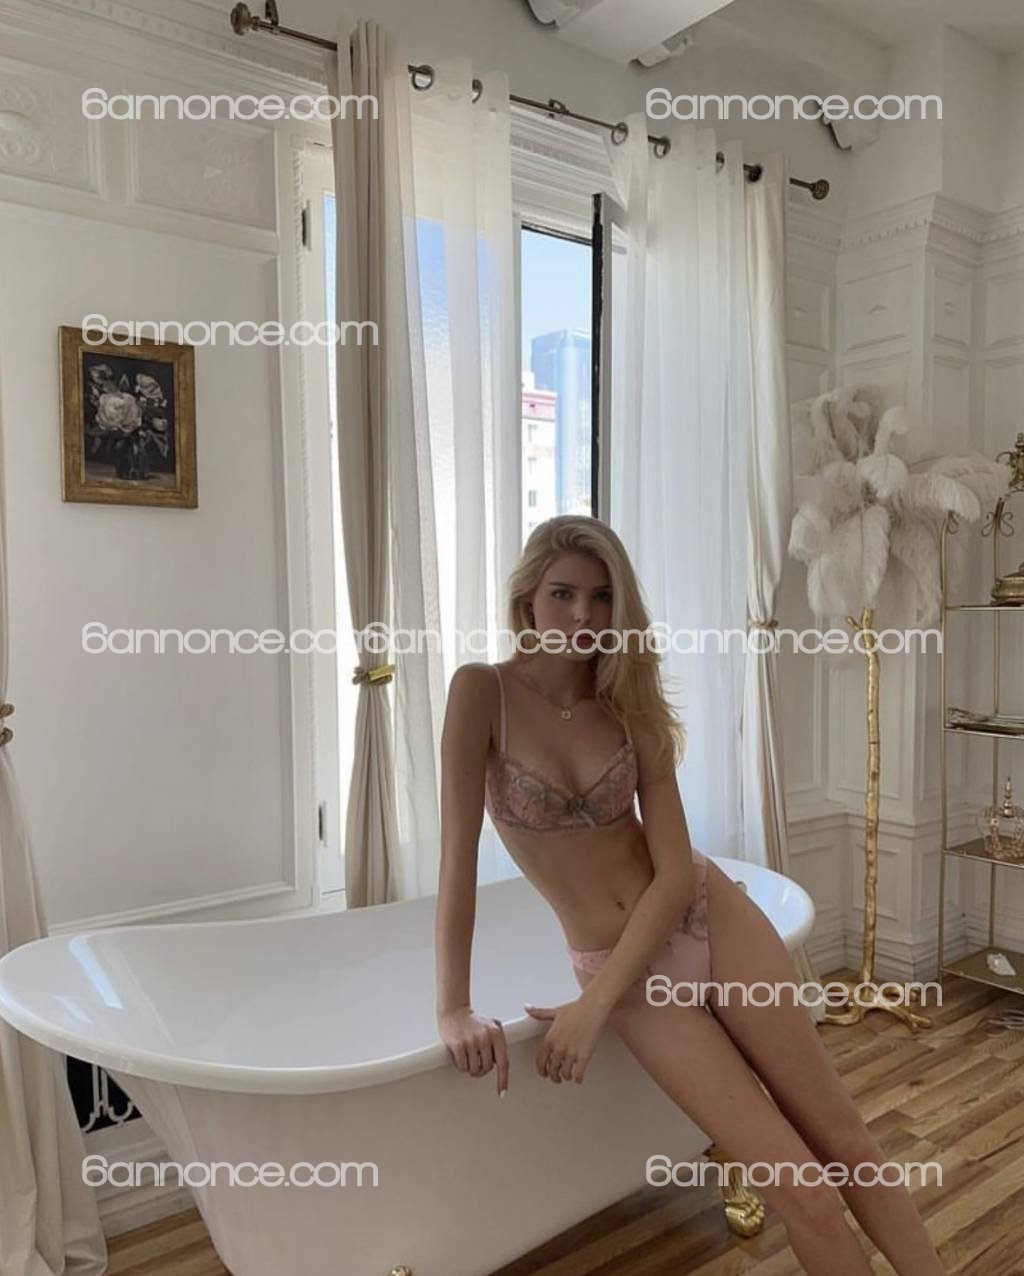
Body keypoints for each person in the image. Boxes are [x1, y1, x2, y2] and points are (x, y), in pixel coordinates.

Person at [434, 514, 944, 1276]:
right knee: (802, 1192)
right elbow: (456, 862)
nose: (581, 614)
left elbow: (674, 874)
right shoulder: (483, 692)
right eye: (562, 594)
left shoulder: (627, 699)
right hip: (629, 974)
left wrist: (593, 1005)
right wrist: (454, 1006)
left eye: (601, 597)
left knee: (848, 1145)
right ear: (526, 600)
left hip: (707, 914)